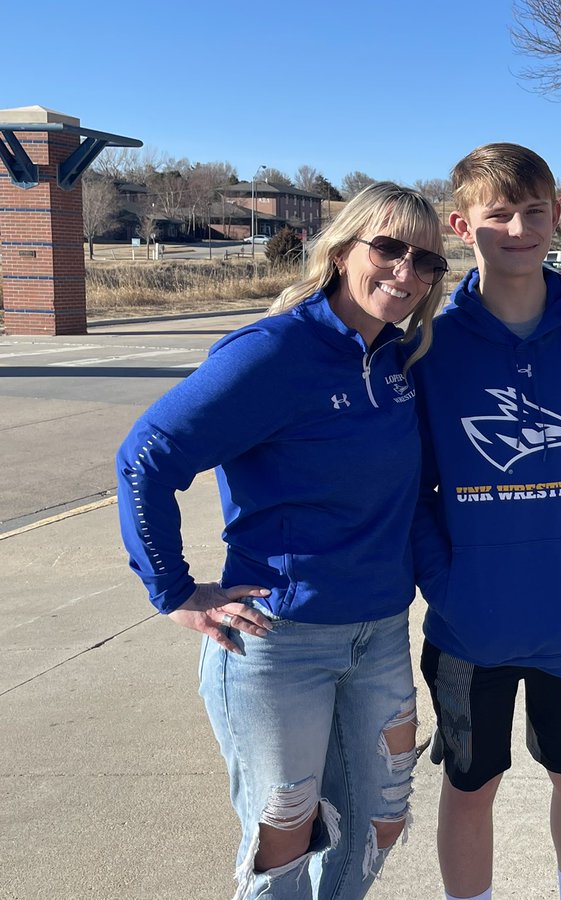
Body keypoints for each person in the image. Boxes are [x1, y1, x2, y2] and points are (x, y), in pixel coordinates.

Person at [115, 183, 448, 900]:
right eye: (388, 248)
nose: (405, 271)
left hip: (382, 634)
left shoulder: (399, 361)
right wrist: (174, 591)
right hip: (279, 643)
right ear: (341, 250)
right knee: (283, 838)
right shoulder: (274, 352)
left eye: (426, 261)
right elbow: (147, 457)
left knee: (380, 822)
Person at [409, 143, 561, 900]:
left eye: (536, 211)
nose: (519, 228)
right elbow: (411, 490)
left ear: (558, 216)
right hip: (468, 626)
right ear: (460, 224)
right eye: (499, 213)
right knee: (469, 787)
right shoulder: (428, 346)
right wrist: (445, 583)